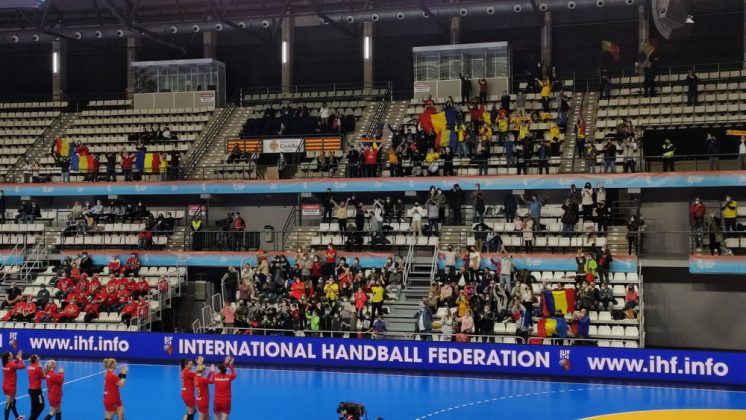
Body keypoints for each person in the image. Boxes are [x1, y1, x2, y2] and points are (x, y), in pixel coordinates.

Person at [2, 351, 24, 420]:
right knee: (8, 404)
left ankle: (17, 416)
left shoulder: (5, 364)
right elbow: (23, 366)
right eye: (11, 354)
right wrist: (20, 359)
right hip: (11, 387)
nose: (12, 354)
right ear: (9, 357)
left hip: (5, 386)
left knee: (13, 401)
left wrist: (17, 359)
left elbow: (14, 364)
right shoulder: (11, 365)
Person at [27, 354, 44, 420]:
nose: (39, 357)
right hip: (37, 391)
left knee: (34, 406)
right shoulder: (38, 367)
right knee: (41, 405)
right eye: (37, 357)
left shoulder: (29, 366)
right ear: (36, 359)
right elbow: (43, 376)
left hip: (31, 389)